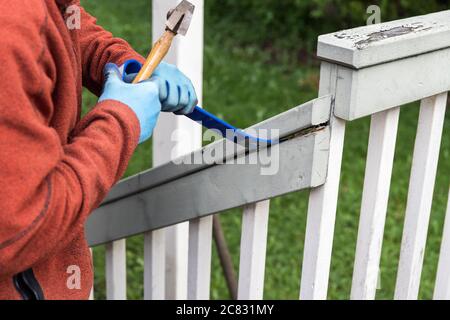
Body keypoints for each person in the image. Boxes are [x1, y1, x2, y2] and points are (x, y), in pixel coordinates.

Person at [0, 0, 197, 300]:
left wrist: (125, 62)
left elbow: (66, 24)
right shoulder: (10, 24)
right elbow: (22, 226)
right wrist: (119, 120)